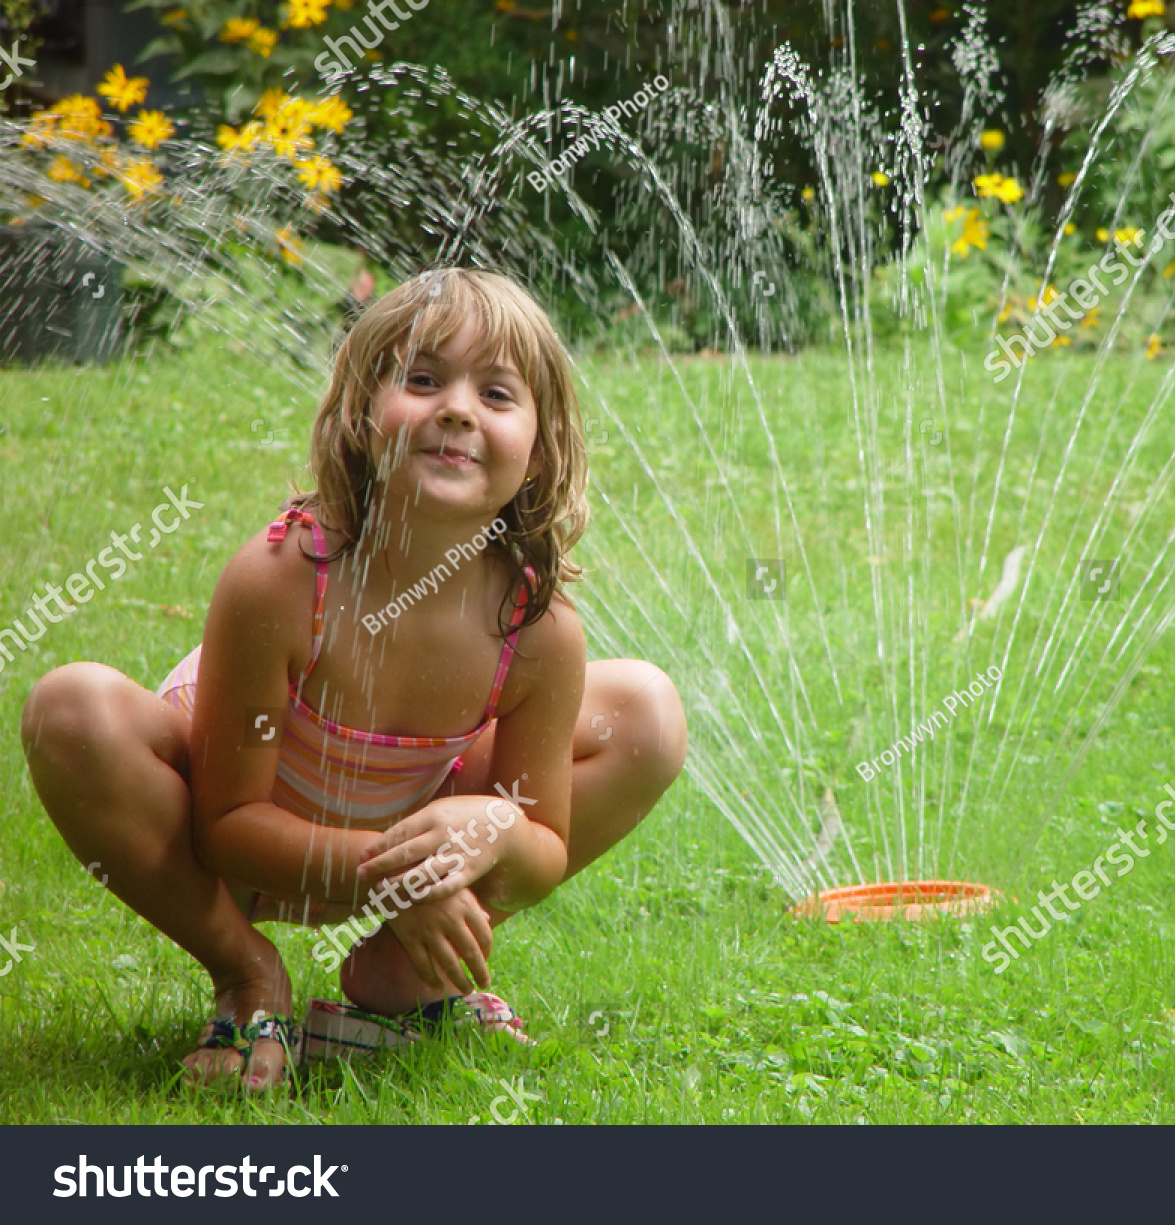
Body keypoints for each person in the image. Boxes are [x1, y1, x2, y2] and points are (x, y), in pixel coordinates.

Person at [21, 268, 688, 1091]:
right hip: (237, 852)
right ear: (359, 415)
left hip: (408, 841)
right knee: (72, 706)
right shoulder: (284, 580)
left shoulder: (535, 629)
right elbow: (225, 824)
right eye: (422, 379)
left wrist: (494, 825)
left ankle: (403, 976)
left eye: (497, 393)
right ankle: (246, 972)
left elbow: (542, 849)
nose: (456, 408)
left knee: (647, 713)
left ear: (542, 450)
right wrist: (401, 873)